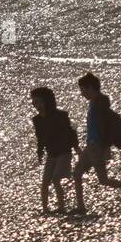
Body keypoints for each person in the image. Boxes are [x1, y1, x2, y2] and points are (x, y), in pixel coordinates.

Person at [71, 72, 121, 214]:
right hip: (90, 145)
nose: (82, 93)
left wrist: (106, 147)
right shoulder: (94, 103)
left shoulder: (100, 105)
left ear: (91, 88)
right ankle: (80, 206)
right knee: (77, 173)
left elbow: (105, 129)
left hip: (97, 146)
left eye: (83, 89)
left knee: (103, 179)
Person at [31, 86, 79, 215]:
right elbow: (39, 138)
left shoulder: (60, 115)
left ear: (47, 101)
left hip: (64, 151)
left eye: (39, 102)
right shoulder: (37, 120)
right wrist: (40, 152)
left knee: (56, 179)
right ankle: (45, 209)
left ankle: (62, 207)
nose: (36, 105)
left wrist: (76, 147)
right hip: (51, 154)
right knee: (45, 182)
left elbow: (71, 133)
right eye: (34, 102)